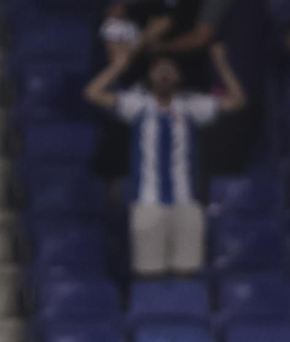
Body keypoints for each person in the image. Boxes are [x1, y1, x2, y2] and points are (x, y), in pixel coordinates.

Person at [85, 42, 245, 278]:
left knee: (187, 273)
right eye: (159, 70)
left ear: (178, 77)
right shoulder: (138, 105)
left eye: (169, 70)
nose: (164, 74)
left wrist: (221, 64)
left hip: (185, 203)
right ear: (150, 77)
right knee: (148, 275)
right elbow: (92, 93)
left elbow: (237, 101)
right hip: (148, 204)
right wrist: (118, 66)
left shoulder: (191, 107)